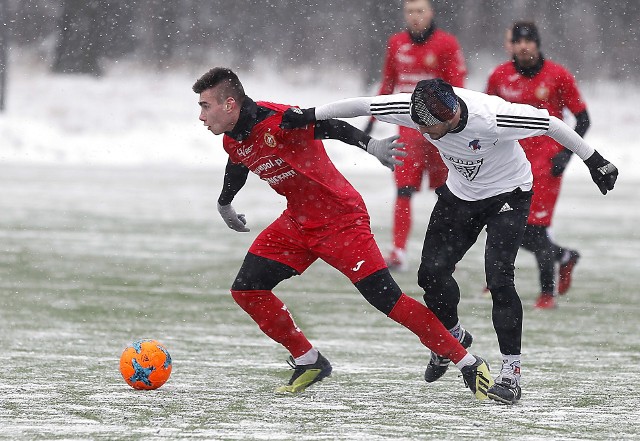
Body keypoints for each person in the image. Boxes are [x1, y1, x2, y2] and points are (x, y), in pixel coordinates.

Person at [279, 78, 618, 404]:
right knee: (430, 274)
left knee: (499, 279)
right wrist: (308, 114)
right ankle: (453, 336)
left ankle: (511, 374)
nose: (423, 133)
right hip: (459, 196)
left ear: (452, 115)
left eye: (429, 128)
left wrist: (595, 161)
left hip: (509, 195)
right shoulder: (418, 107)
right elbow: (362, 105)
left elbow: (552, 124)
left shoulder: (493, 116)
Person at [193, 67, 493, 399]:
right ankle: (309, 361)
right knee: (247, 289)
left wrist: (372, 145)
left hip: (340, 219)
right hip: (297, 221)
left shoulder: (279, 119)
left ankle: (468, 362)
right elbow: (237, 162)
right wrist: (225, 203)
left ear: (230, 104)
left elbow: (330, 125)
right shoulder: (232, 139)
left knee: (388, 300)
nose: (202, 116)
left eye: (206, 106)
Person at [487, 21, 588, 309]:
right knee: (508, 226)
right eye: (518, 40)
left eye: (529, 40)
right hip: (509, 163)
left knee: (536, 229)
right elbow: (487, 115)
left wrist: (566, 155)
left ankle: (547, 294)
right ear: (512, 45)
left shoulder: (558, 76)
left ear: (537, 43)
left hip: (546, 164)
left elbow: (583, 118)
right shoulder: (500, 76)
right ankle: (564, 256)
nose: (524, 45)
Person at [366, 0, 466, 272]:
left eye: (420, 11)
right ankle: (398, 251)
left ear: (431, 13)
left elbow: (458, 86)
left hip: (440, 131)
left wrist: (454, 122)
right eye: (410, 11)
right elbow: (388, 83)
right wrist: (372, 119)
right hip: (408, 130)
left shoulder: (446, 44)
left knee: (446, 192)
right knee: (403, 189)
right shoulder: (396, 43)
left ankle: (448, 248)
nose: (415, 16)